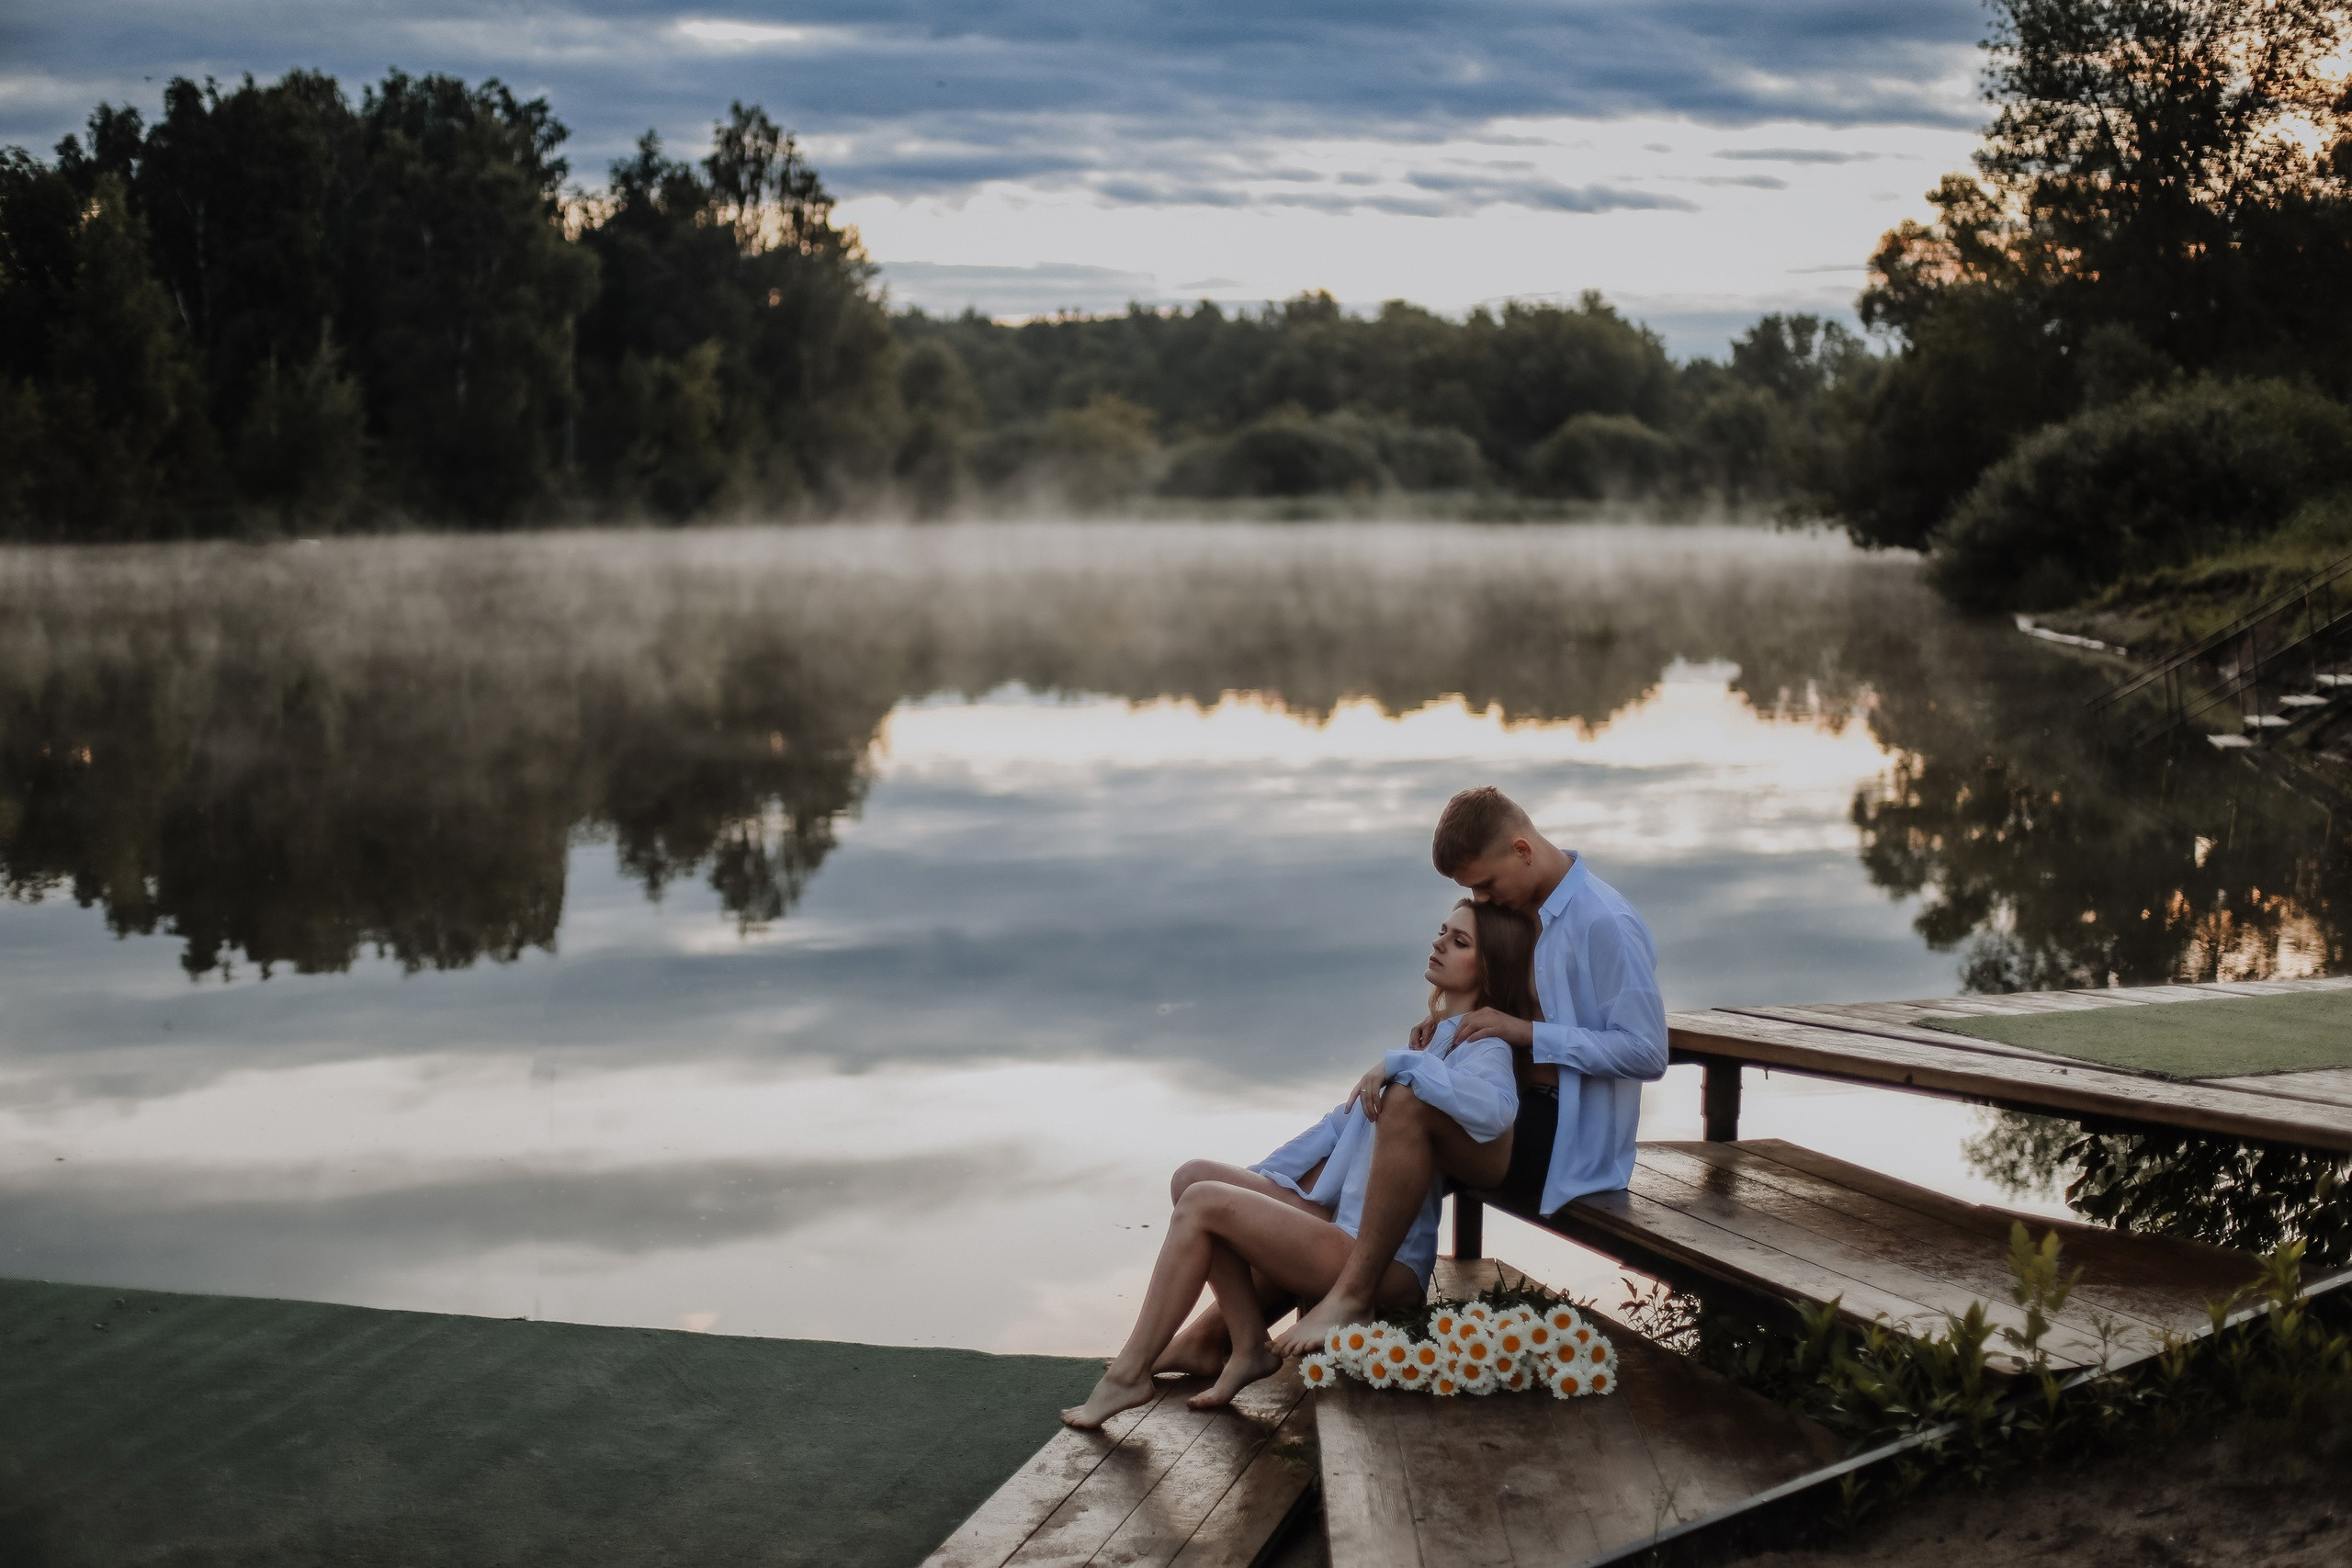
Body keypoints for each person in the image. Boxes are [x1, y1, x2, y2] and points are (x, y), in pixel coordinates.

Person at [1060, 899, 1537, 1429]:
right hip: (1336, 1225)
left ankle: (1129, 1375)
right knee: (1194, 1178)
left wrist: (1402, 1064)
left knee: (1202, 1205)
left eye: (1460, 941)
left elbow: (1497, 1112)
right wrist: (1259, 1189)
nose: (1439, 943)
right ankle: (1246, 1346)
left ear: (1489, 969)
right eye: (1442, 932)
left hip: (1383, 1262)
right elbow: (1340, 1126)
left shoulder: (1483, 1045)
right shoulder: (1435, 1035)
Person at [1274, 785, 1667, 1357]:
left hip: (1561, 1137)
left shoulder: (1603, 922)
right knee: (1350, 1142)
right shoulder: (1528, 908)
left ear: (1522, 850)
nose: (1481, 897)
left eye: (1484, 883)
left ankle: (1355, 1295)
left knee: (1406, 1105)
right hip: (1509, 1107)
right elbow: (1498, 1012)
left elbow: (1646, 1051)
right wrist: (1445, 1043)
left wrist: (1523, 1032)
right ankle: (1217, 1336)